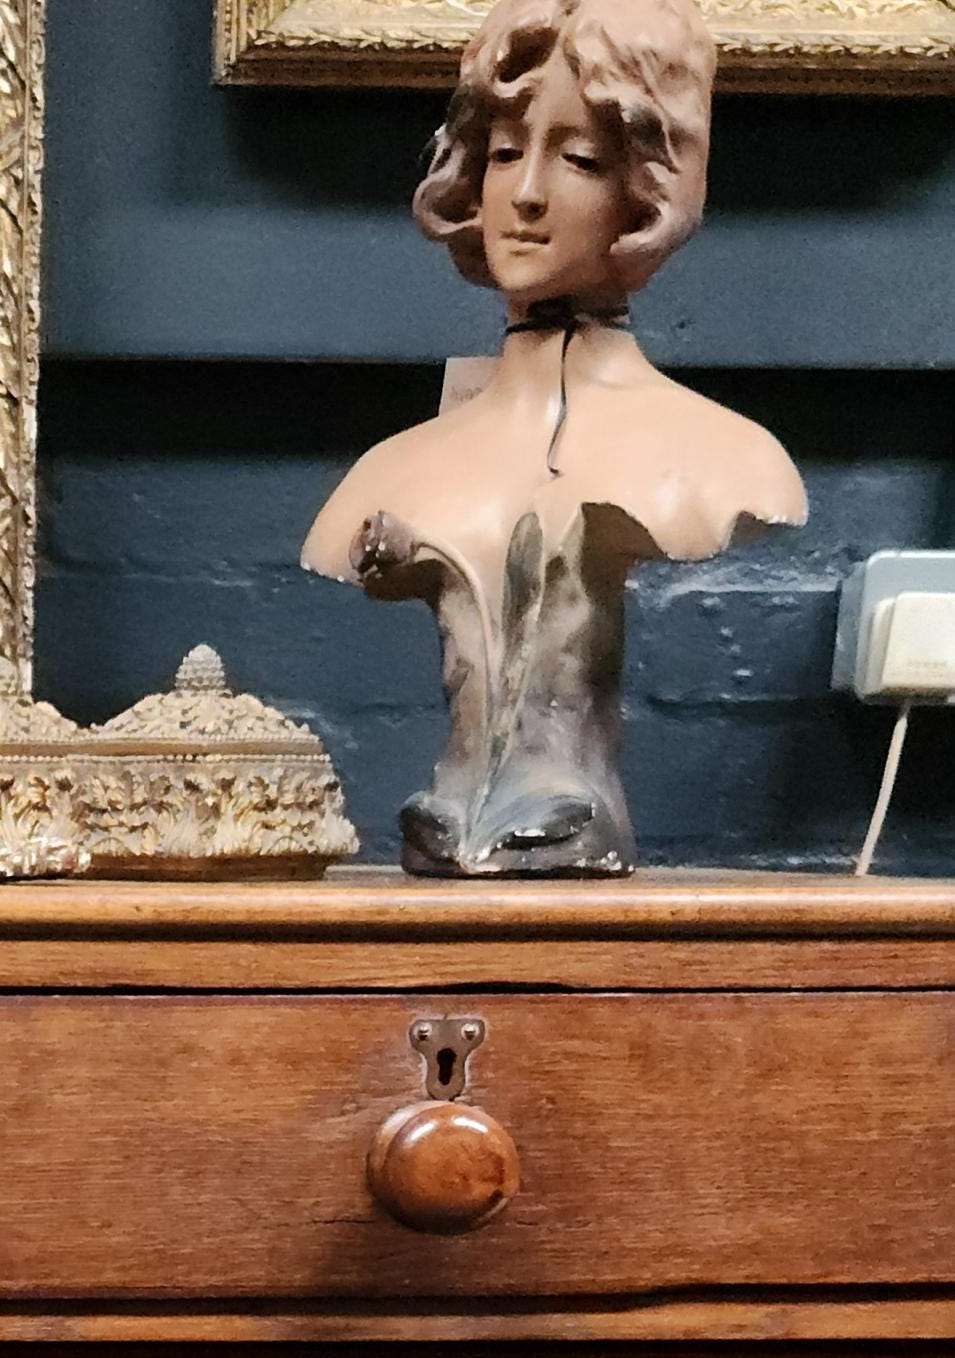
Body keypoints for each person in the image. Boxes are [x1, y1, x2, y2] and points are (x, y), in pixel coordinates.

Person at [304, 0, 804, 874]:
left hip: (577, 831)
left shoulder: (724, 458)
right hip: (441, 833)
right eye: (504, 152)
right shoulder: (391, 471)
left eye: (579, 159)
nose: (527, 192)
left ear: (648, 186)